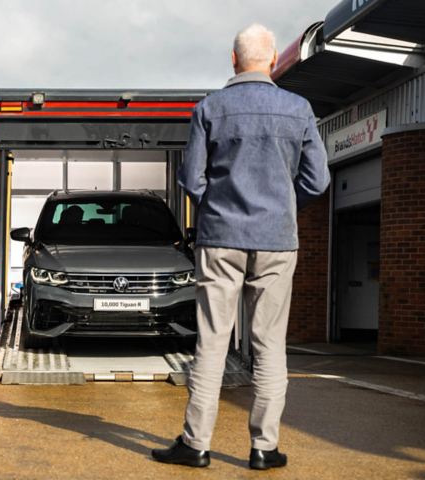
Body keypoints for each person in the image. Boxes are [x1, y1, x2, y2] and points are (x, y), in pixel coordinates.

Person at [151, 24, 330, 469]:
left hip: (220, 239)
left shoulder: (210, 109)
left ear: (233, 60)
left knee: (212, 343)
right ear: (272, 62)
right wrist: (284, 207)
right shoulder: (299, 108)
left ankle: (196, 445)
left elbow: (191, 179)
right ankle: (264, 449)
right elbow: (318, 180)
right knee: (269, 345)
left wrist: (218, 209)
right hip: (276, 241)